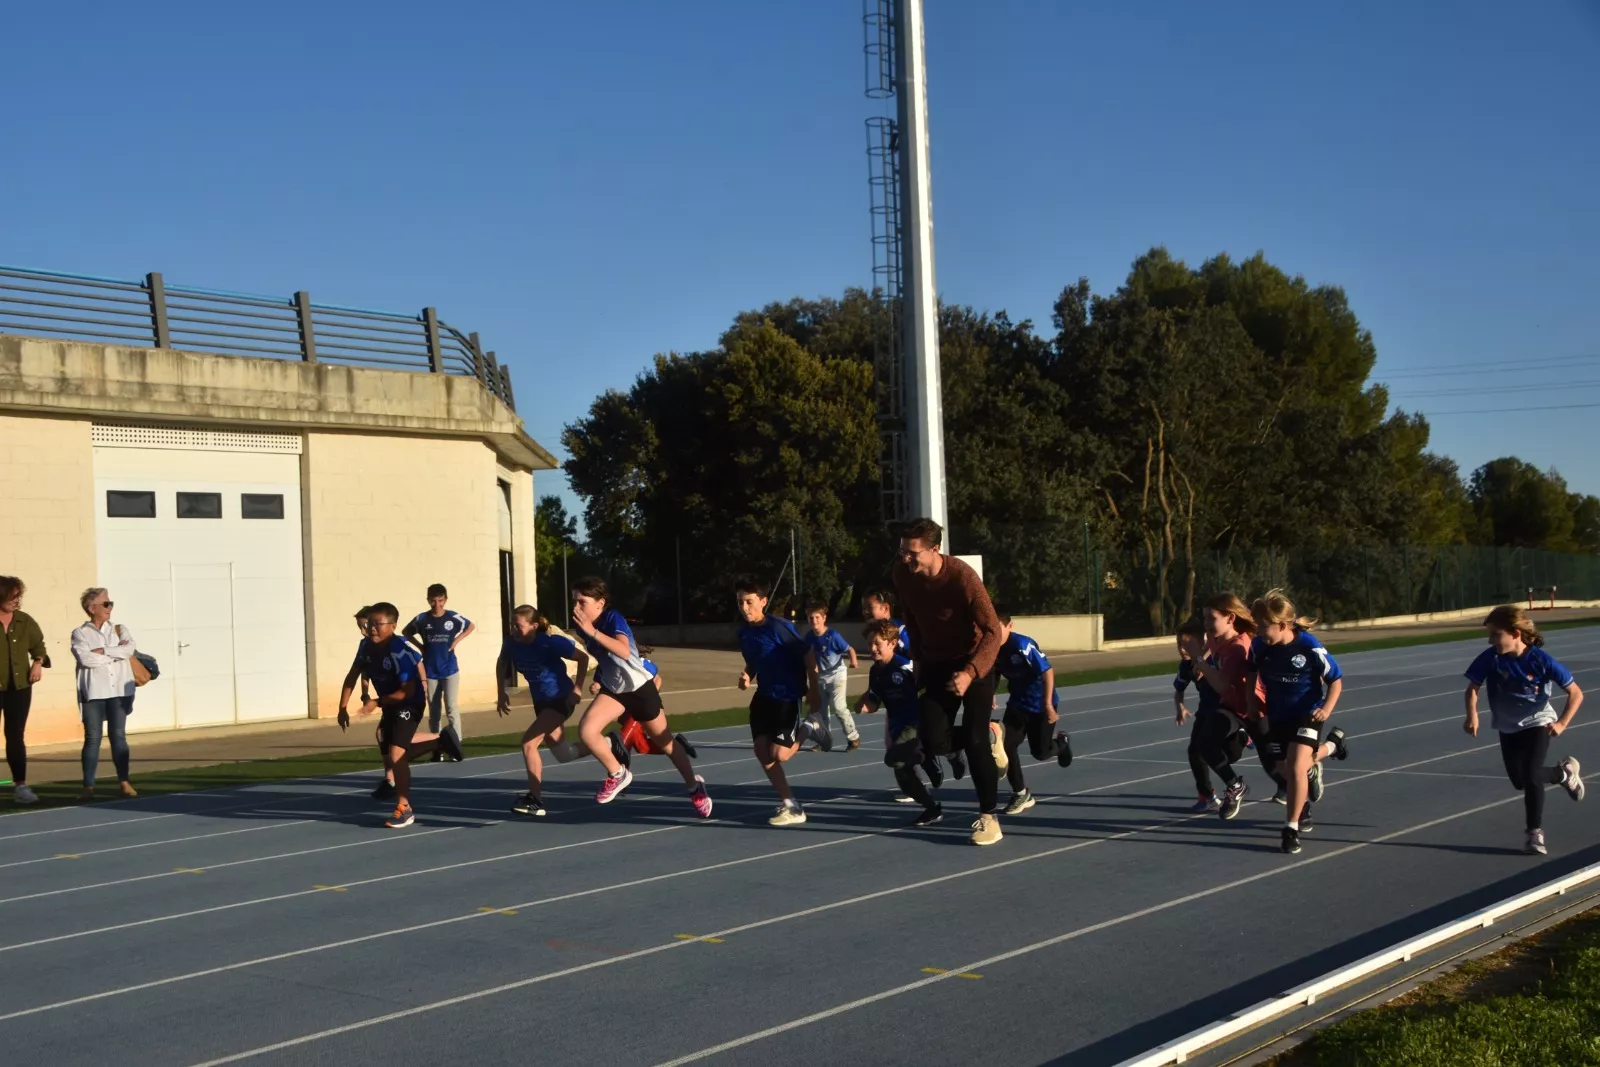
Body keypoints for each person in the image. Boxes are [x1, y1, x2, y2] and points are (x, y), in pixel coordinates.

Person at [891, 518, 1010, 846]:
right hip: (934, 664)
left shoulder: (962, 577)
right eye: (902, 551)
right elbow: (912, 620)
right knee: (934, 742)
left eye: (913, 553)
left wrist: (971, 673)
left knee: (973, 743)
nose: (906, 559)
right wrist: (918, 663)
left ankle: (989, 818)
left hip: (974, 660)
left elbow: (993, 631)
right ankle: (992, 733)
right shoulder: (902, 573)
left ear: (934, 549)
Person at [570, 577, 711, 817]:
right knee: (586, 731)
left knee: (665, 743)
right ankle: (618, 773)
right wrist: (597, 678)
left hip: (639, 688)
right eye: (574, 602)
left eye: (582, 602)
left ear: (600, 603)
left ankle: (694, 786)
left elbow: (623, 651)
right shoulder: (584, 629)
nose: (576, 608)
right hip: (614, 690)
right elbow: (607, 660)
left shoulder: (613, 618)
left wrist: (592, 632)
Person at [1463, 604, 1585, 855]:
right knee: (1520, 780)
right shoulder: (1491, 657)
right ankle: (1562, 774)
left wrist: (1561, 723)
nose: (1491, 640)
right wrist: (1471, 716)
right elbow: (1472, 688)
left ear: (1515, 633)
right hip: (1507, 726)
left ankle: (1534, 834)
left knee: (1530, 777)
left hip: (1538, 722)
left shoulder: (1541, 661)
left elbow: (1576, 693)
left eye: (1496, 634)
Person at [337, 602, 463, 828]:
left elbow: (407, 691)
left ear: (392, 626)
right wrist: (342, 707)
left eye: (377, 624)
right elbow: (353, 675)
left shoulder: (399, 651)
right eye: (369, 624)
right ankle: (439, 741)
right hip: (389, 705)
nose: (371, 628)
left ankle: (404, 808)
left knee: (396, 754)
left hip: (409, 703)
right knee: (391, 753)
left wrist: (376, 701)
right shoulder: (365, 646)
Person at [1248, 590, 1349, 855]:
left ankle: (1290, 828)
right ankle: (1332, 747)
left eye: (1263, 626)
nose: (1258, 631)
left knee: (1295, 766)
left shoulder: (1309, 646)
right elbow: (1251, 679)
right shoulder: (1259, 647)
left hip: (1308, 713)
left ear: (1282, 626)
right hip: (1277, 715)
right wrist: (1253, 708)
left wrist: (1326, 709)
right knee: (1285, 768)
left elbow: (1335, 680)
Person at [736, 578, 827, 826]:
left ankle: (811, 727)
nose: (744, 607)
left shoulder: (779, 627)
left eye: (749, 602)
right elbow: (753, 660)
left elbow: (808, 656)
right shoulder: (744, 632)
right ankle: (791, 806)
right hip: (763, 697)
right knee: (762, 752)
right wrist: (747, 675)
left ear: (763, 602)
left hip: (787, 697)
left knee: (781, 755)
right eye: (741, 602)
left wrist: (814, 690)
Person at [497, 604, 590, 817]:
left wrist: (577, 688)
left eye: (518, 626)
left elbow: (583, 658)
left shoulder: (549, 643)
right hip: (541, 702)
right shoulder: (512, 643)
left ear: (534, 626)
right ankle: (610, 743)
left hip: (561, 699)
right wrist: (501, 692)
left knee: (529, 743)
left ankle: (536, 800)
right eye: (512, 624)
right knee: (563, 754)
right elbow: (501, 662)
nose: (513, 629)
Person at [866, 585, 958, 792]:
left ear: (885, 608)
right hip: (895, 698)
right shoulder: (874, 636)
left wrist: (916, 684)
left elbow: (917, 659)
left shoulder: (902, 631)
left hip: (911, 695)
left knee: (911, 742)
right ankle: (919, 776)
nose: (866, 612)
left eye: (870, 607)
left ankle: (942, 757)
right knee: (896, 746)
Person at [1176, 594, 1260, 820]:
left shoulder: (1237, 647)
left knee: (1278, 766)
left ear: (1230, 618)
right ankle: (1225, 789)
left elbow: (1222, 685)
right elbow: (1210, 651)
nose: (1205, 623)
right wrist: (1201, 658)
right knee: (1202, 746)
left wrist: (1199, 659)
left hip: (1254, 709)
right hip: (1224, 709)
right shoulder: (1214, 640)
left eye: (1210, 618)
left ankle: (1301, 803)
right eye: (1203, 618)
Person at [858, 619, 943, 826]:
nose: (872, 649)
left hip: (914, 724)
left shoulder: (905, 666)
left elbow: (926, 687)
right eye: (870, 644)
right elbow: (874, 702)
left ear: (892, 643)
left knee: (894, 759)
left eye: (877, 643)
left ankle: (930, 754)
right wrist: (863, 704)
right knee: (904, 780)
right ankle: (932, 808)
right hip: (896, 726)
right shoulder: (876, 671)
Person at [993, 610, 1072, 814]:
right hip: (1017, 705)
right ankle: (1021, 794)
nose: (994, 632)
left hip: (1039, 705)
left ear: (1009, 626)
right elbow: (994, 671)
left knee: (1041, 752)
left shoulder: (1023, 645)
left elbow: (1047, 671)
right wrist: (991, 693)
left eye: (998, 628)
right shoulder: (991, 646)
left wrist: (1047, 704)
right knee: (1005, 746)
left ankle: (1061, 744)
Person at [70, 587, 138, 799]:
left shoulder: (119, 629)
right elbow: (86, 659)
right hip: (94, 692)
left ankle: (124, 781)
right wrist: (115, 655)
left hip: (118, 690)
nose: (110, 608)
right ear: (92, 608)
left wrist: (104, 651)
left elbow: (128, 650)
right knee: (92, 738)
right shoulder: (80, 633)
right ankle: (88, 786)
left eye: (110, 603)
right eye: (106, 604)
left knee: (118, 737)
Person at [403, 584, 473, 757]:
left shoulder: (453, 617)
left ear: (445, 600)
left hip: (449, 669)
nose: (437, 605)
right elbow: (406, 632)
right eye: (433, 601)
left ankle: (456, 745)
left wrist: (456, 641)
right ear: (428, 601)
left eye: (440, 601)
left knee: (451, 708)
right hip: (430, 671)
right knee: (434, 711)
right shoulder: (422, 619)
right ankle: (437, 747)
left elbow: (470, 626)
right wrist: (420, 645)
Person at [607, 650, 699, 769]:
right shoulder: (612, 665)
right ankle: (678, 746)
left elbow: (657, 678)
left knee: (623, 743)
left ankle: (620, 776)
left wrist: (647, 699)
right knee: (642, 747)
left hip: (639, 709)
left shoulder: (641, 663)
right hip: (626, 709)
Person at [1, 576, 47, 805]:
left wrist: (37, 662)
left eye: (19, 596)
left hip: (19, 687)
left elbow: (38, 645)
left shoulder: (24, 621)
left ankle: (21, 786)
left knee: (15, 735)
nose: (17, 601)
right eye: (13, 596)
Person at [354, 606, 398, 801]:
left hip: (400, 699)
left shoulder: (393, 644)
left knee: (394, 740)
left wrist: (421, 687)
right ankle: (390, 780)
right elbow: (364, 672)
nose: (364, 631)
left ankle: (440, 740)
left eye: (366, 626)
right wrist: (365, 694)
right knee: (383, 735)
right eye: (360, 627)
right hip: (385, 701)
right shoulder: (365, 645)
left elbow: (417, 665)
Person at [805, 600, 861, 752]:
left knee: (839, 707)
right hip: (820, 677)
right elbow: (806, 656)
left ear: (824, 618)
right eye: (811, 618)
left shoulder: (833, 636)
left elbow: (850, 649)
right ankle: (824, 740)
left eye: (817, 617)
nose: (814, 621)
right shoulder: (809, 637)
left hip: (837, 674)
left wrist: (854, 661)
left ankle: (853, 737)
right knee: (821, 711)